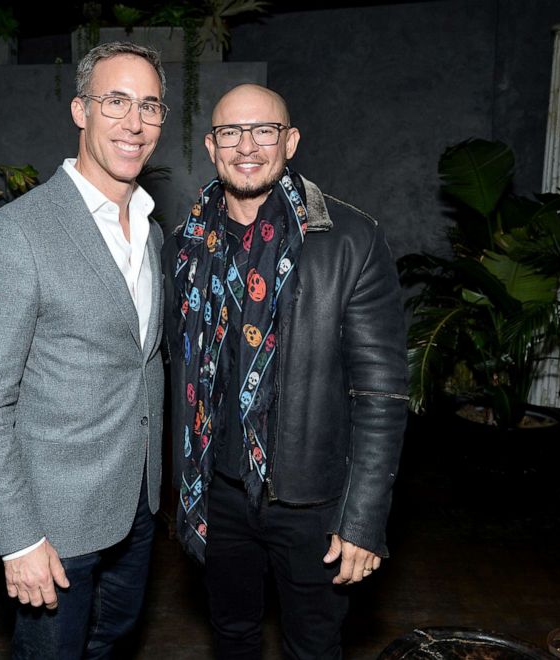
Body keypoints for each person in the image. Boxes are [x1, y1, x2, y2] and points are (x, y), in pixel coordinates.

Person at [162, 83, 409, 658]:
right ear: (211, 144)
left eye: (264, 130)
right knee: (231, 635)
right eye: (230, 132)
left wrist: (364, 519)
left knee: (314, 647)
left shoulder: (350, 240)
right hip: (216, 492)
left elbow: (382, 393)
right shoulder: (184, 244)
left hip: (312, 501)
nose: (246, 145)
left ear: (290, 141)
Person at [0, 41, 168, 659]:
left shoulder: (152, 230)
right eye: (116, 101)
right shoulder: (15, 233)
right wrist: (18, 537)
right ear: (80, 110)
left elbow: (138, 360)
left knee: (112, 646)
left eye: (150, 106)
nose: (134, 122)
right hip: (51, 521)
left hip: (137, 507)